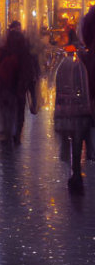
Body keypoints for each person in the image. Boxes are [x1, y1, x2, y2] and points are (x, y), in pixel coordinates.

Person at [53, 41, 92, 192]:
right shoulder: (80, 66)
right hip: (80, 112)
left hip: (66, 112)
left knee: (70, 142)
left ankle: (74, 172)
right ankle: (76, 173)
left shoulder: (63, 66)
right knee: (77, 143)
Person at [0, 22, 36, 144]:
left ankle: (6, 133)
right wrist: (33, 98)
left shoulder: (0, 52)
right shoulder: (25, 54)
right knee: (19, 113)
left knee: (5, 112)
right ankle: (16, 136)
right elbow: (30, 75)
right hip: (19, 90)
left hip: (4, 89)